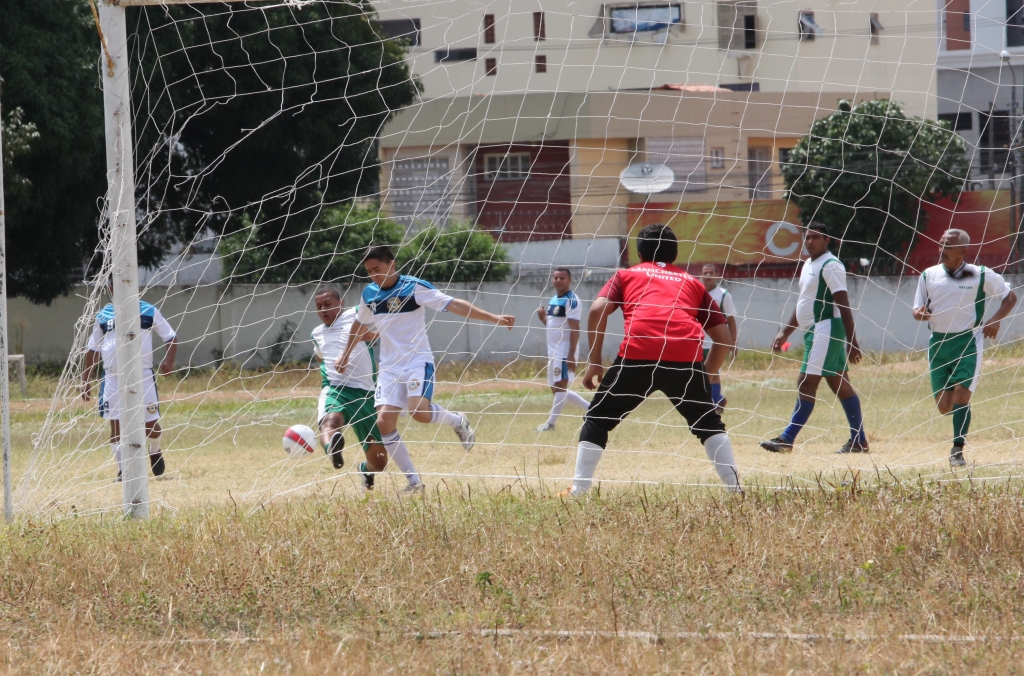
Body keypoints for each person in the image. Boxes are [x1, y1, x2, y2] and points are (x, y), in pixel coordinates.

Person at [564, 223, 741, 496]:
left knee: (598, 419)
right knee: (708, 424)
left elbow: (598, 309)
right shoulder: (692, 282)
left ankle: (578, 491)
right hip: (685, 356)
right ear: (674, 253)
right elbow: (723, 337)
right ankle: (736, 489)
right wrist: (704, 374)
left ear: (639, 252)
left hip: (638, 353)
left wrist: (595, 361)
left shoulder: (626, 275)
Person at [335, 245, 515, 494]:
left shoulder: (414, 287)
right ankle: (414, 482)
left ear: (392, 265)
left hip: (417, 362)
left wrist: (493, 317)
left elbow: (454, 305)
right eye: (369, 271)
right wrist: (344, 355)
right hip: (388, 368)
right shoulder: (369, 293)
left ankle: (458, 420)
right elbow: (358, 325)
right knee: (384, 422)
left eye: (377, 269)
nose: (373, 275)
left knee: (418, 412)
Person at [912, 228, 1018, 467]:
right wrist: (919, 314)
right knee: (944, 406)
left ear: (963, 250)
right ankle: (958, 416)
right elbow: (917, 308)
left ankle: (957, 450)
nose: (942, 250)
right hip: (938, 344)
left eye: (948, 246)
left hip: (969, 341)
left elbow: (1009, 297)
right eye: (940, 245)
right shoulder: (928, 275)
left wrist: (995, 319)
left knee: (962, 395)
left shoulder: (980, 274)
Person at [760, 222, 868, 454]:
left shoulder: (831, 265)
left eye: (815, 237)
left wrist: (852, 341)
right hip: (816, 330)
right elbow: (804, 302)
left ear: (827, 240)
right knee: (839, 383)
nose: (810, 242)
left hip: (826, 328)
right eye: (807, 237)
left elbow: (844, 305)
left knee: (806, 382)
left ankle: (787, 439)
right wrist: (785, 332)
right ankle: (859, 440)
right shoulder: (809, 263)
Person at [81, 287, 176, 481]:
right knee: (116, 425)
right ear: (110, 287)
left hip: (143, 377)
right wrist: (85, 380)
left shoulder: (148, 310)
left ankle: (155, 449)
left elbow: (170, 336)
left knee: (150, 424)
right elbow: (92, 350)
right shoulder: (104, 315)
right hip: (113, 378)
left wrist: (169, 361)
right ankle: (123, 472)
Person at [311, 287, 388, 491]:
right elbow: (320, 355)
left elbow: (385, 321)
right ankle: (333, 447)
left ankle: (366, 469)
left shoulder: (356, 314)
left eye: (328, 304)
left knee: (379, 463)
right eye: (319, 307)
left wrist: (372, 335)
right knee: (331, 421)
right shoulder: (317, 333)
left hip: (366, 395)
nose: (323, 310)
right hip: (336, 389)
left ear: (340, 302)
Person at [535, 267, 590, 432]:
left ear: (569, 280)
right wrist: (543, 318)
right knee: (557, 389)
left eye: (562, 278)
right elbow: (554, 326)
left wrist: (571, 355)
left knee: (560, 386)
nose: (558, 281)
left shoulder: (572, 300)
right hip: (553, 351)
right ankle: (592, 410)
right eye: (556, 278)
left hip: (564, 351)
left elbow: (575, 329)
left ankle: (550, 424)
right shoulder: (553, 299)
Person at [700, 263, 738, 411]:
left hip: (714, 342)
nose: (708, 276)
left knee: (713, 372)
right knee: (698, 373)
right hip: (696, 340)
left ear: (717, 275)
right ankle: (718, 399)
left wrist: (732, 342)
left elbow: (731, 320)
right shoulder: (696, 291)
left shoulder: (723, 295)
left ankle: (714, 404)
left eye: (711, 273)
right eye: (705, 272)